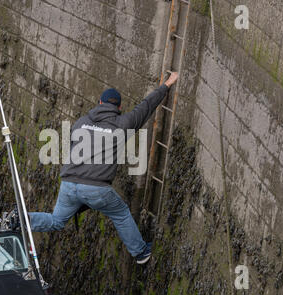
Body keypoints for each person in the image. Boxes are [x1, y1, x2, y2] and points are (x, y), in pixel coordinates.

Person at [28, 72, 179, 264]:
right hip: (96, 189)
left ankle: (23, 219)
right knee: (121, 213)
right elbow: (147, 105)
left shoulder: (81, 122)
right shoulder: (123, 124)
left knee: (57, 221)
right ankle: (140, 253)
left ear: (99, 103)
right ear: (119, 107)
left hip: (68, 184)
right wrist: (167, 84)